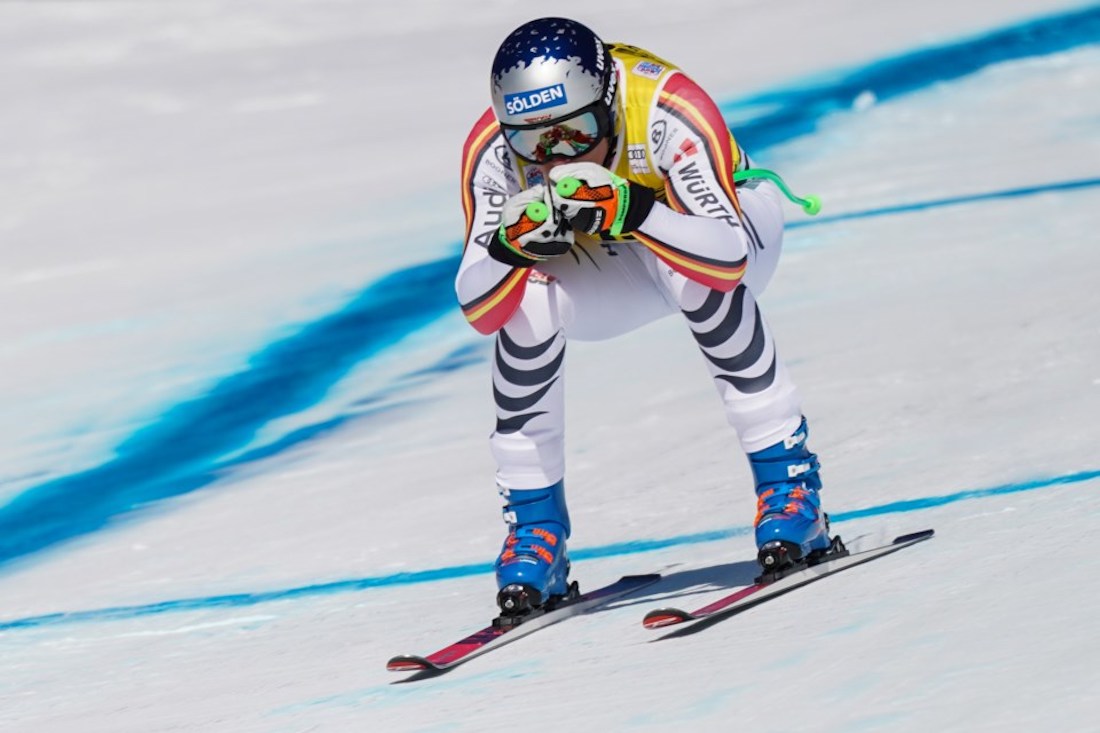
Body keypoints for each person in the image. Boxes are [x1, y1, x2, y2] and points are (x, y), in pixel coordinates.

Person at [456, 17, 831, 620]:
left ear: (608, 106)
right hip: (614, 265)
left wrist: (635, 209)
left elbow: (729, 256)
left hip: (720, 235)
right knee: (521, 304)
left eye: (575, 133)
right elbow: (478, 306)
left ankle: (790, 491)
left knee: (698, 277)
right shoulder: (490, 152)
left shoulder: (666, 107)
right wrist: (510, 249)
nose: (555, 158)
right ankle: (535, 534)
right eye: (532, 143)